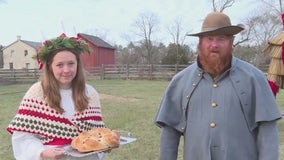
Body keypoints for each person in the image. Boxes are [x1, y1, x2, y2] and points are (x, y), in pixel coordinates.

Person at [154, 12, 282, 160]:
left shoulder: (254, 78)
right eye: (209, 38)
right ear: (200, 42)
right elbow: (170, 134)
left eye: (221, 39)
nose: (214, 45)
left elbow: (268, 131)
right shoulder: (181, 81)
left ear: (231, 42)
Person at [6, 33, 107, 160]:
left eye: (71, 63)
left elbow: (98, 133)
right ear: (50, 67)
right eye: (59, 65)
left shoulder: (90, 93)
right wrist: (41, 152)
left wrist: (102, 147)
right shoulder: (38, 92)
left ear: (78, 64)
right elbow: (23, 137)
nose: (66, 70)